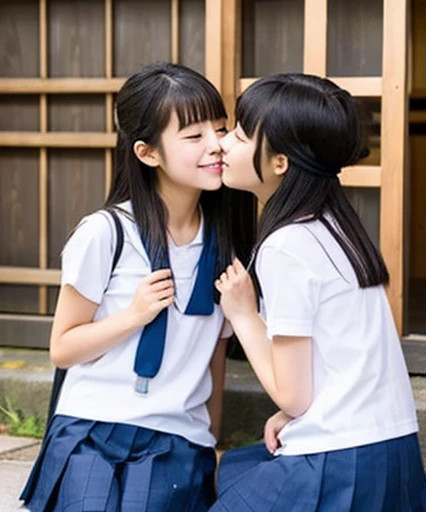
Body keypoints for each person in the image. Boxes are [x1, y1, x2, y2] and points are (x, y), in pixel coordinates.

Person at [20, 61, 252, 512]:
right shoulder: (105, 233)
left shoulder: (225, 242)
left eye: (220, 129)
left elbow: (214, 358)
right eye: (193, 136)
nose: (216, 146)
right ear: (148, 154)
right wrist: (133, 315)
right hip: (93, 429)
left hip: (179, 438)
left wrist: (211, 442)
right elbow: (63, 349)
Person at [211, 73, 426, 511]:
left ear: (279, 162)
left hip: (344, 461)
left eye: (238, 135)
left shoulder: (287, 246)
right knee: (237, 468)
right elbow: (342, 363)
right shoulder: (335, 224)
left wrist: (242, 313)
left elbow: (294, 394)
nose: (223, 144)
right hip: (391, 453)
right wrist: (295, 416)